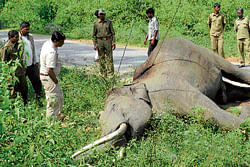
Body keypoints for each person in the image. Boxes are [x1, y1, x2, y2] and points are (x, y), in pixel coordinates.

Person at [40, 31, 66, 120]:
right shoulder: (51, 52)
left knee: (58, 96)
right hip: (49, 78)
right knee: (53, 100)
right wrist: (55, 81)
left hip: (49, 77)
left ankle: (57, 115)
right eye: (61, 41)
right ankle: (51, 120)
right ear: (55, 41)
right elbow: (49, 70)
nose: (63, 43)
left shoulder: (47, 43)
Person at [0, 30, 28, 104]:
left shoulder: (18, 44)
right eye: (16, 37)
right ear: (10, 38)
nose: (18, 38)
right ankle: (13, 105)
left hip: (20, 71)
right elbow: (4, 62)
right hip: (12, 72)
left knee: (24, 87)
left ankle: (25, 103)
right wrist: (7, 74)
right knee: (12, 90)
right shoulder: (6, 48)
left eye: (18, 36)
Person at [19, 21, 43, 99]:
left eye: (28, 29)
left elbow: (34, 49)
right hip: (22, 66)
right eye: (26, 29)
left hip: (32, 64)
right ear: (21, 29)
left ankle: (39, 96)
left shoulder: (30, 37)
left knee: (36, 82)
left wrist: (36, 62)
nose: (28, 31)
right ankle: (22, 99)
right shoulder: (17, 38)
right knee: (21, 84)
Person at [93, 9, 116, 77]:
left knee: (109, 58)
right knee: (101, 58)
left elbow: (112, 33)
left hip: (108, 41)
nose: (102, 15)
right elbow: (94, 35)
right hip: (99, 41)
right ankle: (103, 73)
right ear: (98, 15)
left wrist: (113, 42)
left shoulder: (108, 22)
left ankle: (110, 73)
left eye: (103, 14)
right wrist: (95, 44)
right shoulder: (96, 23)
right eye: (101, 14)